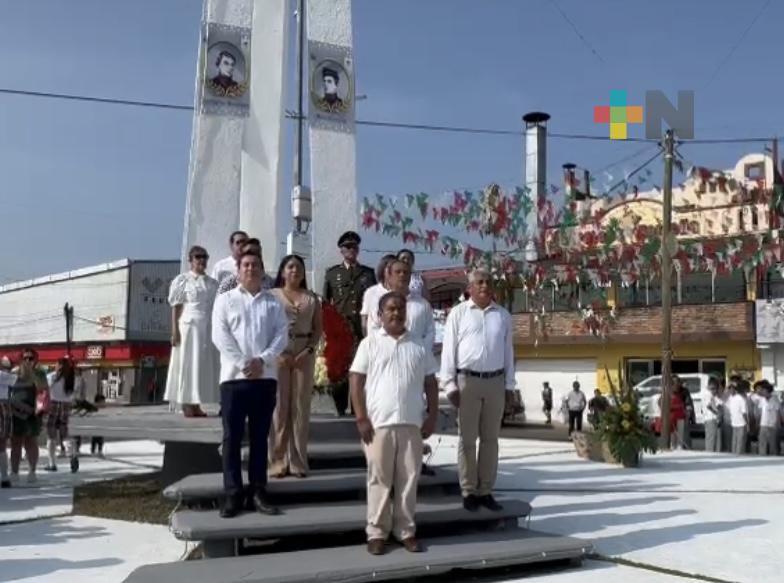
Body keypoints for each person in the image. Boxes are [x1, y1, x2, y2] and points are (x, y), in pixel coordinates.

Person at [350, 292, 439, 555]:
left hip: (411, 423)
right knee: (379, 479)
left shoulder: (419, 346)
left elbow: (431, 383)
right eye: (390, 309)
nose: (396, 313)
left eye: (400, 308)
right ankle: (377, 533)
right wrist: (361, 417)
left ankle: (405, 531)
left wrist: (432, 415)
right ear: (380, 315)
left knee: (409, 479)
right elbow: (356, 380)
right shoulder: (370, 344)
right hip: (378, 424)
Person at [212, 250, 289, 518]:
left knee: (260, 439)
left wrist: (262, 361)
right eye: (245, 265)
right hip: (234, 380)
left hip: (265, 379)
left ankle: (258, 490)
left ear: (262, 270)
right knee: (232, 439)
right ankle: (233, 493)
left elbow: (282, 336)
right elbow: (220, 336)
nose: (250, 269)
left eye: (256, 265)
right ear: (238, 270)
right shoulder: (225, 301)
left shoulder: (273, 302)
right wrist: (245, 362)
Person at [440, 268, 514, 512]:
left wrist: (509, 386)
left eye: (488, 282)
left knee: (491, 440)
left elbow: (508, 353)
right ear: (469, 288)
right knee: (467, 440)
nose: (484, 285)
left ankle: (486, 491)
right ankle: (468, 490)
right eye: (479, 282)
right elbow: (449, 350)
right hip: (467, 382)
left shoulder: (502, 315)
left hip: (495, 382)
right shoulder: (459, 314)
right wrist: (449, 384)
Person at [268, 255, 323, 479]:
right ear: (282, 272)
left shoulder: (313, 299)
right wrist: (277, 353)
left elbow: (318, 329)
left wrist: (308, 350)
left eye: (299, 268)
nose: (295, 271)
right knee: (280, 408)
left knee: (300, 408)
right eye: (290, 267)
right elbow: (266, 327)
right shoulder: (272, 297)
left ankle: (298, 460)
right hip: (279, 353)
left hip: (304, 353)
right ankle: (277, 461)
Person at [323, 231, 377, 416]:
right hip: (340, 328)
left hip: (360, 327)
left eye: (354, 247)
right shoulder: (332, 274)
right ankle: (340, 406)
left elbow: (374, 302)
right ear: (341, 250)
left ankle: (357, 407)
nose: (351, 250)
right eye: (347, 247)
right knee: (339, 367)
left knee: (360, 367)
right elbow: (326, 303)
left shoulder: (368, 273)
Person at [164, 246, 220, 417]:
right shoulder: (183, 280)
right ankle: (186, 403)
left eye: (204, 256)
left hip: (206, 327)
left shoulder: (212, 283)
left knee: (201, 366)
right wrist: (174, 330)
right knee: (187, 364)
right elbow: (176, 306)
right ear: (190, 260)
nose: (201, 260)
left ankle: (196, 403)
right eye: (197, 257)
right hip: (188, 326)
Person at [366, 260, 434, 348]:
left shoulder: (422, 305)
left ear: (410, 277)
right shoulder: (378, 303)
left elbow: (429, 331)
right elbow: (373, 331)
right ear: (389, 276)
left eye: (406, 272)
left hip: (416, 356)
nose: (402, 275)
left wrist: (421, 351)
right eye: (398, 272)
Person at [9, 348, 48, 484]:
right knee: (16, 444)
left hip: (33, 414)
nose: (27, 360)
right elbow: (7, 392)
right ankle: (14, 472)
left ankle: (32, 471)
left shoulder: (40, 374)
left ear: (36, 359)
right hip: (16, 413)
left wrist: (37, 411)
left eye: (30, 358)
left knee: (31, 443)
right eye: (25, 358)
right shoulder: (14, 373)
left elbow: (43, 393)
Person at [44, 357, 79, 473]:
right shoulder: (72, 379)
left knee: (51, 435)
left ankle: (51, 463)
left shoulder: (51, 377)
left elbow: (44, 390)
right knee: (64, 433)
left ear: (58, 365)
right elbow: (73, 394)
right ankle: (72, 454)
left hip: (53, 404)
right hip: (66, 405)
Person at [360, 254, 396, 335]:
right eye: (389, 268)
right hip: (375, 340)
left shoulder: (401, 293)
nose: (392, 272)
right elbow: (364, 319)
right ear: (383, 270)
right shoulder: (371, 292)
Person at [0, 356, 17, 488]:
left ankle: (5, 476)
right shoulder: (7, 376)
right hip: (3, 406)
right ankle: (4, 476)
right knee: (2, 444)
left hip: (4, 406)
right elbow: (16, 378)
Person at [755, 381, 782, 456]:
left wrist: (777, 425)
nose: (762, 392)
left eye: (763, 390)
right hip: (763, 425)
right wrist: (758, 423)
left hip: (772, 426)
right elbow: (760, 413)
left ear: (768, 391)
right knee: (762, 444)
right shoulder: (762, 400)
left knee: (773, 445)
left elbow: (778, 414)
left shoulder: (775, 400)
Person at [702, 377, 723, 452]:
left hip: (714, 419)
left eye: (716, 388)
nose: (715, 390)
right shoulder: (707, 393)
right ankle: (709, 454)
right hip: (710, 419)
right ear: (709, 385)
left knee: (716, 440)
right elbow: (709, 406)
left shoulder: (714, 395)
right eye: (713, 387)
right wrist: (717, 413)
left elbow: (719, 404)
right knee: (711, 439)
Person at [728, 382, 749, 455]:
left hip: (739, 422)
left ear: (735, 390)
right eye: (729, 389)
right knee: (737, 440)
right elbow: (742, 412)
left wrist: (746, 423)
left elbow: (743, 412)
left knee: (738, 440)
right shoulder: (733, 399)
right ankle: (736, 454)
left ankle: (737, 454)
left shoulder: (737, 398)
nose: (730, 390)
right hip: (737, 423)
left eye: (732, 389)